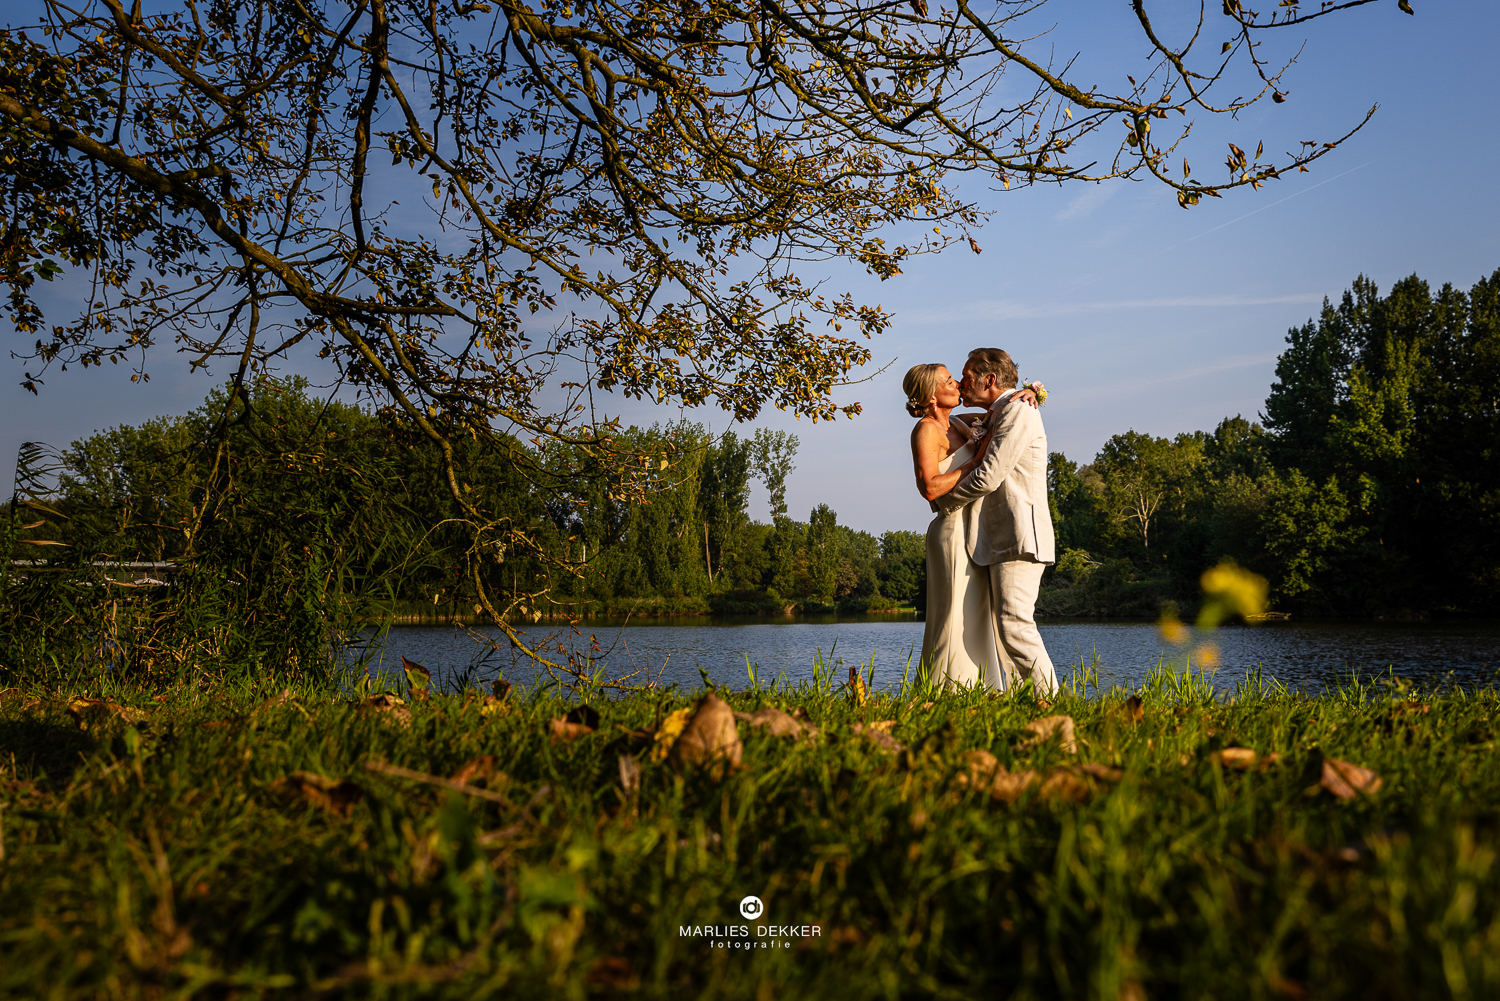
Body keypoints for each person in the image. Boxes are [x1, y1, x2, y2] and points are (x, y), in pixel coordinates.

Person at [905, 361, 1039, 690]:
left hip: (976, 530)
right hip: (950, 531)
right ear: (932, 397)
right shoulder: (926, 430)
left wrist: (1028, 392)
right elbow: (930, 489)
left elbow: (999, 414)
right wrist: (976, 464)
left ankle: (982, 689)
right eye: (949, 382)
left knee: (977, 614)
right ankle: (944, 689)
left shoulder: (962, 424)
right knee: (953, 613)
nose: (958, 386)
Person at [932, 348, 1057, 693]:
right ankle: (1024, 703)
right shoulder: (1003, 410)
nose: (960, 382)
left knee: (1015, 625)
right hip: (997, 537)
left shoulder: (1018, 411)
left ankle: (1050, 700)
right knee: (1003, 630)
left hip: (1019, 534)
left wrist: (945, 503)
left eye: (967, 376)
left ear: (989, 379)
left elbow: (989, 475)